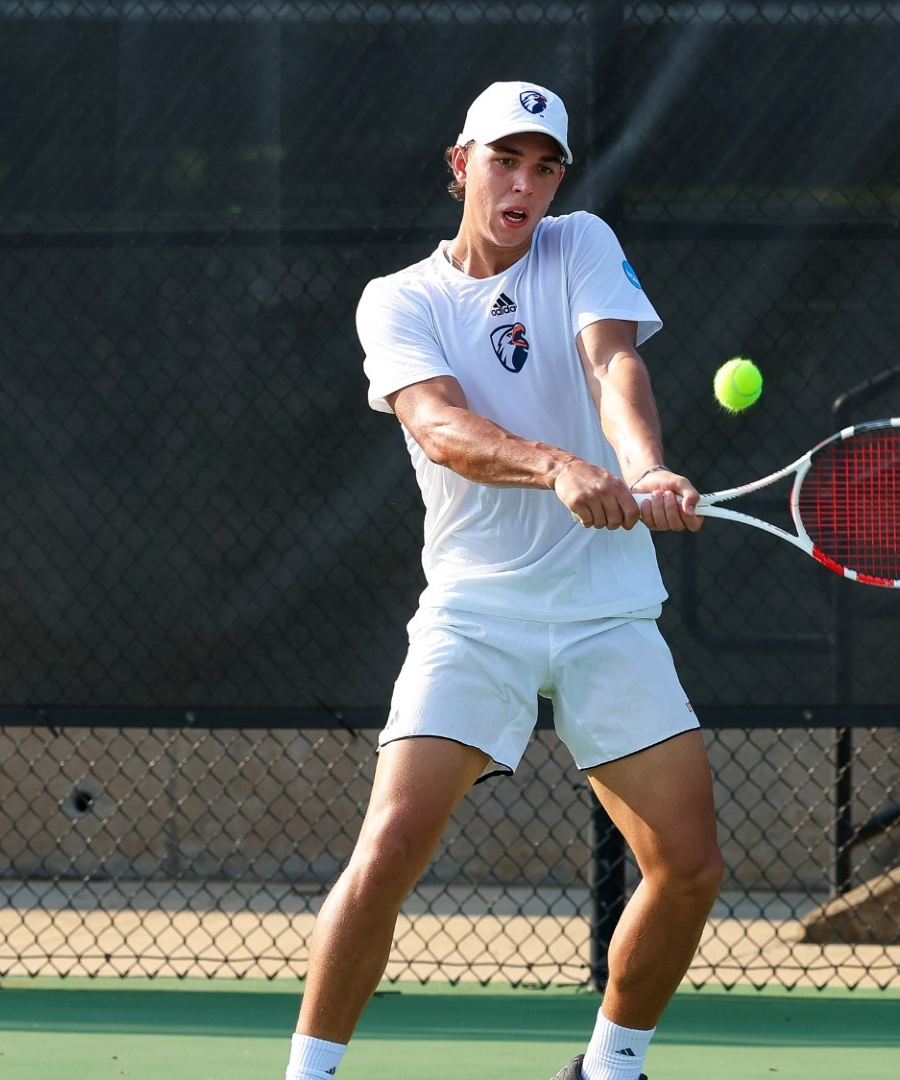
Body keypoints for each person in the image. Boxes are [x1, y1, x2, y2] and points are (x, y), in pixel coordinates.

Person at [284, 81, 724, 1080]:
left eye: (545, 166)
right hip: (477, 614)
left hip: (607, 610)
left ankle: (610, 1068)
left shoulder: (581, 244)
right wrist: (558, 466)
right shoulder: (400, 299)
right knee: (390, 847)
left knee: (689, 867)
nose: (524, 185)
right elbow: (439, 427)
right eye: (504, 161)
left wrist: (644, 466)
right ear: (460, 165)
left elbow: (612, 364)